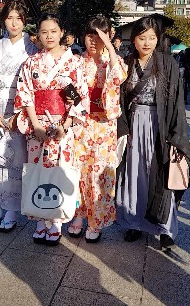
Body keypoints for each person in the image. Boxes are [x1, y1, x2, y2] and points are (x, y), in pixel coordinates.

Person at [115, 17, 190, 251]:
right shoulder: (126, 63)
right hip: (134, 124)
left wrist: (175, 134)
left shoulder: (167, 63)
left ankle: (165, 227)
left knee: (161, 175)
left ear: (158, 39)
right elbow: (118, 100)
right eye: (142, 38)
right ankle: (134, 222)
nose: (147, 42)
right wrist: (123, 130)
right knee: (135, 174)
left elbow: (177, 102)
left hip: (160, 126)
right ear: (134, 40)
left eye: (152, 37)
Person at [14, 14, 89, 246]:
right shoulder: (31, 63)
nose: (49, 36)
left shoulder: (73, 62)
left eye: (53, 31)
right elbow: (25, 94)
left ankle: (56, 222)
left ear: (61, 32)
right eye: (44, 32)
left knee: (61, 168)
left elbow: (77, 97)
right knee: (37, 168)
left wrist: (65, 127)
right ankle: (38, 220)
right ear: (38, 34)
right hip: (38, 124)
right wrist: (35, 125)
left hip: (62, 126)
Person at [0, 1, 38, 233]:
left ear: (24, 21)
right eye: (10, 17)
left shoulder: (31, 48)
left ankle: (11, 210)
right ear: (4, 20)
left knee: (16, 156)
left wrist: (20, 113)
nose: (14, 23)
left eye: (18, 18)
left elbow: (33, 83)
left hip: (19, 108)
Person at [67, 15, 127, 243]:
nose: (94, 41)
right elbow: (66, 86)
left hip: (103, 127)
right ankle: (78, 216)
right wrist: (79, 104)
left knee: (100, 174)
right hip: (82, 124)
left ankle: (96, 220)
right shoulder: (76, 61)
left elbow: (119, 76)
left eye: (99, 36)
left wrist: (110, 48)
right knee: (79, 170)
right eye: (90, 36)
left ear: (108, 36)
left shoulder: (114, 62)